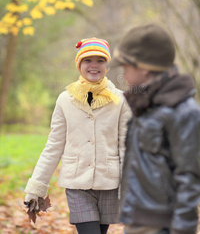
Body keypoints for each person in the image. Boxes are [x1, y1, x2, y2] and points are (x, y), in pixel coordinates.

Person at [24, 37, 131, 234]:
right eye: (87, 60)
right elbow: (53, 146)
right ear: (79, 64)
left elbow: (127, 147)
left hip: (109, 183)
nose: (94, 65)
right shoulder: (65, 100)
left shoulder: (121, 101)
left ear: (107, 66)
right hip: (77, 183)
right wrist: (36, 187)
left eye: (100, 60)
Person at [110, 23, 200, 234]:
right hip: (136, 219)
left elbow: (190, 177)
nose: (123, 74)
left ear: (144, 68)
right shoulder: (146, 104)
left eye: (125, 67)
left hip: (162, 225)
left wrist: (183, 229)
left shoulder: (184, 112)